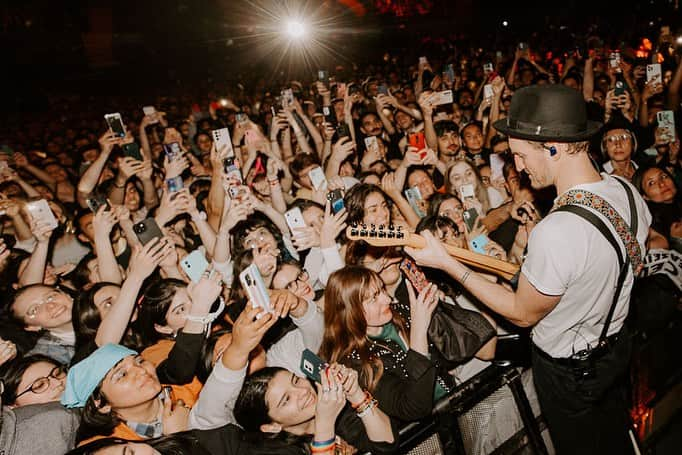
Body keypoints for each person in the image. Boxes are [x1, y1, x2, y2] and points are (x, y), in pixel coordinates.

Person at [405, 84, 651, 454]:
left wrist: (447, 263)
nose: (516, 167)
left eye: (519, 155)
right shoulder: (625, 190)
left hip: (571, 372)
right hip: (616, 348)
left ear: (554, 148)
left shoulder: (557, 231)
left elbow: (521, 314)